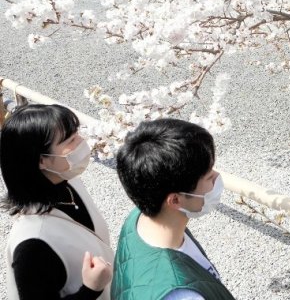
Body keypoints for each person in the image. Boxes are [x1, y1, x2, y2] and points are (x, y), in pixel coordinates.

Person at [112, 118, 235, 300]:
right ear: (175, 200)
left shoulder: (139, 219)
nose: (217, 178)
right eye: (209, 177)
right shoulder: (181, 295)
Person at [1, 104, 114, 300]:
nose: (81, 142)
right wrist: (90, 289)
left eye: (77, 134)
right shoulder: (32, 244)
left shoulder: (68, 181)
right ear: (41, 160)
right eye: (71, 140)